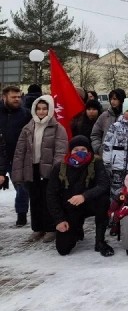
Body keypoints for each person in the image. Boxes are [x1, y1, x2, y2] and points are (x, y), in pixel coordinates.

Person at [12, 95, 68, 242]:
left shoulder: (57, 128)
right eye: (39, 109)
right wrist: (18, 173)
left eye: (44, 109)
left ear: (50, 110)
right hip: (32, 169)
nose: (41, 112)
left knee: (48, 199)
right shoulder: (28, 128)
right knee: (35, 199)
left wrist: (55, 171)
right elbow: (20, 152)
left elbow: (60, 151)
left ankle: (51, 228)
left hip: (49, 171)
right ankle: (38, 228)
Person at [46, 135, 113, 256]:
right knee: (63, 249)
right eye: (76, 150)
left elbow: (103, 185)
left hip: (90, 203)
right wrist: (59, 220)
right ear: (70, 151)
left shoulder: (96, 162)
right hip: (70, 207)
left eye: (83, 149)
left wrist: (84, 196)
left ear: (88, 150)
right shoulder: (59, 167)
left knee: (104, 200)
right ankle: (76, 229)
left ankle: (100, 241)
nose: (80, 152)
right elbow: (51, 195)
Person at [0, 85, 31, 226]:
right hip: (0, 156)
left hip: (17, 157)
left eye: (19, 97)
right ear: (4, 97)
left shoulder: (26, 114)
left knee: (22, 187)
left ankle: (22, 214)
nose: (17, 99)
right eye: (13, 97)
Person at [102, 98, 128, 199]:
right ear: (124, 111)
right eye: (127, 110)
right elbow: (108, 144)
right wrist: (107, 162)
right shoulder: (115, 126)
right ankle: (115, 212)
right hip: (117, 166)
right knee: (116, 192)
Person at [91, 88, 125, 155]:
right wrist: (99, 148)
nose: (112, 101)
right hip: (106, 155)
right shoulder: (104, 116)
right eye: (111, 99)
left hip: (123, 156)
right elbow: (95, 134)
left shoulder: (127, 116)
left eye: (115, 99)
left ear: (121, 99)